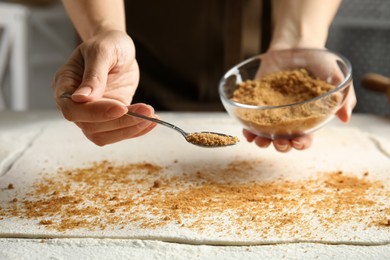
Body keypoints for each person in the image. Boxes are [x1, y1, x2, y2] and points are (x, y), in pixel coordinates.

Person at [54, 0, 356, 152]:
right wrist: (105, 31)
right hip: (139, 59)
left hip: (267, 50)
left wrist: (299, 42)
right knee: (124, 116)